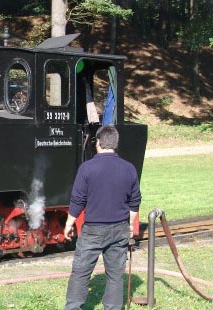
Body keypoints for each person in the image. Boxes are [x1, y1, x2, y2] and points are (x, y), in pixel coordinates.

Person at [64, 125, 141, 310]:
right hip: (120, 228)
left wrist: (69, 224)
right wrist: (130, 224)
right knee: (115, 275)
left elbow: (77, 200)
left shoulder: (87, 168)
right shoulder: (129, 168)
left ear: (98, 142)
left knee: (81, 273)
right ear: (115, 144)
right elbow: (135, 200)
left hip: (93, 231)